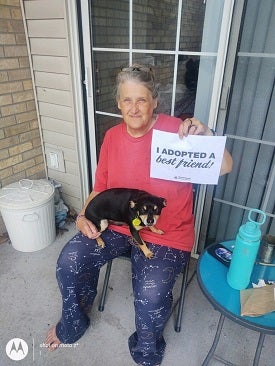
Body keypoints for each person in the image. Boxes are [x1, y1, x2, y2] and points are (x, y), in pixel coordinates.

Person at [46, 64, 233, 365]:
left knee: (150, 293)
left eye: (142, 99)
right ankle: (73, 321)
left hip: (168, 234)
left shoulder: (176, 130)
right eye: (127, 100)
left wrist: (206, 134)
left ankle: (146, 349)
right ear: (118, 102)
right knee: (69, 261)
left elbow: (225, 167)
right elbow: (100, 188)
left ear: (155, 101)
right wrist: (82, 216)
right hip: (118, 224)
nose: (134, 108)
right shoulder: (112, 137)